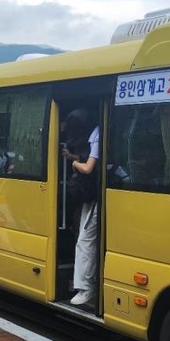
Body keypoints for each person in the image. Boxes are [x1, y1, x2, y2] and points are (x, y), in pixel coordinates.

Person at [61, 108, 100, 308]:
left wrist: (75, 164)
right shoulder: (95, 133)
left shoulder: (96, 134)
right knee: (84, 239)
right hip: (91, 197)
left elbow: (88, 167)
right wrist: (73, 157)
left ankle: (86, 288)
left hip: (95, 197)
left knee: (85, 241)